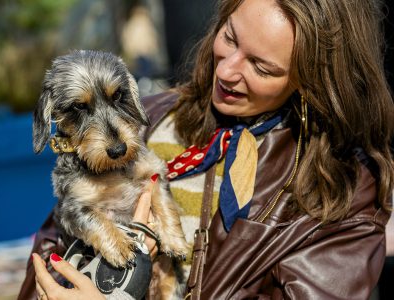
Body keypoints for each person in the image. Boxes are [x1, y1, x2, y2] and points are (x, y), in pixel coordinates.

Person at [19, 0, 394, 299]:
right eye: (230, 38)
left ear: (313, 82)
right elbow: (49, 250)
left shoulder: (345, 189)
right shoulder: (146, 116)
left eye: (261, 67)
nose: (227, 71)